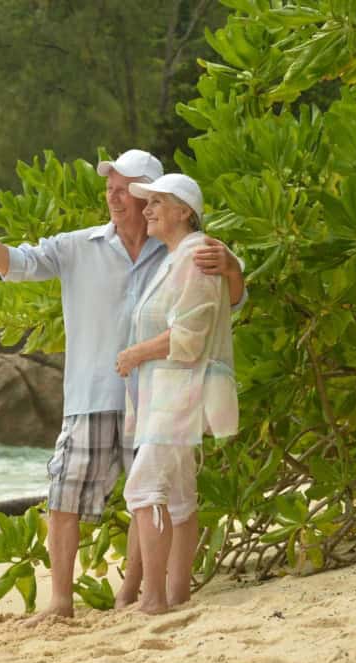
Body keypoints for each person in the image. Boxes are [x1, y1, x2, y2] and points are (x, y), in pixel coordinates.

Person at [0, 150, 245, 623]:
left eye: (126, 190)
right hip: (93, 392)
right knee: (68, 493)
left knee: (153, 493)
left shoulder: (182, 249)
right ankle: (63, 602)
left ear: (150, 196)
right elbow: (16, 263)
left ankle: (139, 593)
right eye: (110, 190)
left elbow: (227, 305)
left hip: (156, 395)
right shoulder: (82, 244)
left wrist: (233, 267)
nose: (115, 199)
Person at [115, 173, 239, 615]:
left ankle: (153, 599)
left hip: (177, 391)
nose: (145, 209)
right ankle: (176, 593)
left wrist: (133, 354)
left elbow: (188, 336)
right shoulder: (177, 256)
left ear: (183, 211)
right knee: (181, 495)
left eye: (156, 203)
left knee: (145, 487)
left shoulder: (195, 255)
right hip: (165, 393)